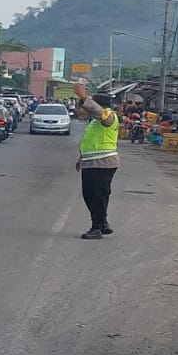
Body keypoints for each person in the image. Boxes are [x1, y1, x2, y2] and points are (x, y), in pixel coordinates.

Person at [74, 81, 120, 240]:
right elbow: (90, 141)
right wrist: (81, 158)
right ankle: (103, 223)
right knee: (90, 195)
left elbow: (99, 113)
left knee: (97, 195)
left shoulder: (109, 116)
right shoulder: (94, 122)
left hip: (103, 162)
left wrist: (84, 97)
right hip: (91, 162)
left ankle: (96, 227)